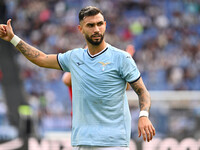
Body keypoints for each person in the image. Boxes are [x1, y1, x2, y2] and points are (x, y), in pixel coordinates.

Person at [0, 6, 155, 150]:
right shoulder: (74, 57)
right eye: (90, 25)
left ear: (105, 25)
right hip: (83, 142)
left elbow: (142, 92)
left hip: (113, 142)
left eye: (99, 24)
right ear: (80, 29)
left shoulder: (122, 58)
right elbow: (41, 58)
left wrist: (143, 116)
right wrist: (13, 39)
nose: (96, 29)